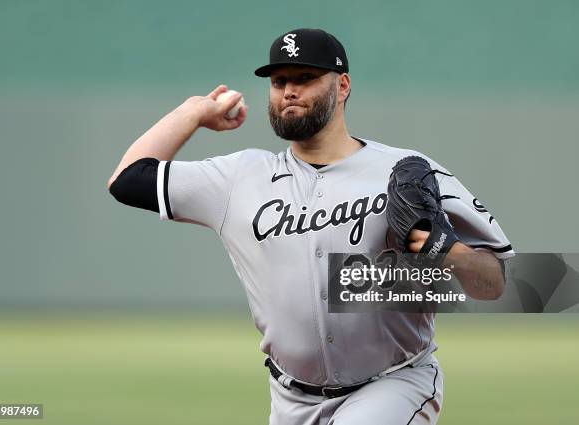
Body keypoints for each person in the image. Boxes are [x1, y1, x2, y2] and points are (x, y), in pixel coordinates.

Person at [107, 28, 514, 425]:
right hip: (288, 399)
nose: (289, 91)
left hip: (393, 383)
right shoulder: (240, 177)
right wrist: (193, 111)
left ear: (342, 86)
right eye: (279, 80)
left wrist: (444, 248)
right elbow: (127, 180)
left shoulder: (404, 171)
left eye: (305, 78)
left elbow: (495, 282)